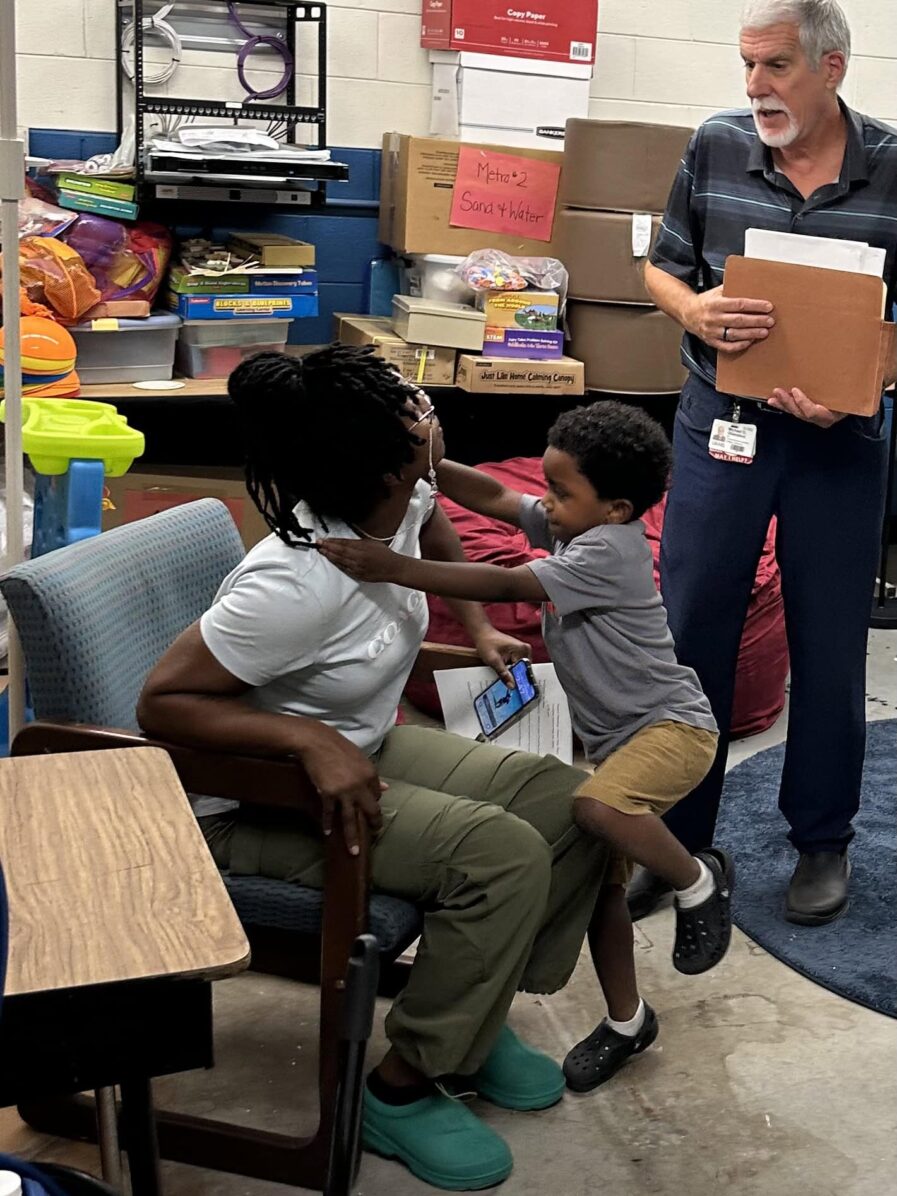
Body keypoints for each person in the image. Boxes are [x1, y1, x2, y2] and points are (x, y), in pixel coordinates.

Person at [137, 346, 611, 1193]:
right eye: (415, 408)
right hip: (247, 806)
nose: (428, 411)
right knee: (496, 855)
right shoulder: (290, 582)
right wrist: (305, 742)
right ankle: (402, 1086)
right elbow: (163, 704)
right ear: (390, 456)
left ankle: (475, 1004)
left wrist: (473, 625)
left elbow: (436, 530)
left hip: (368, 743)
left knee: (573, 801)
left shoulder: (404, 491)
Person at [320, 400, 730, 1095]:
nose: (547, 503)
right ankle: (629, 1023)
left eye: (562, 493)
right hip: (618, 740)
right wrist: (430, 465)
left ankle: (698, 882)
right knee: (599, 891)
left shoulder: (608, 549)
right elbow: (499, 497)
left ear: (618, 507)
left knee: (594, 810)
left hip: (671, 729)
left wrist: (388, 566)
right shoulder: (581, 525)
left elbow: (508, 581)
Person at [632, 0, 897, 927]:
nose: (754, 88)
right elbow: (660, 267)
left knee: (830, 646)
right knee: (689, 629)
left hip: (839, 443)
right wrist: (693, 312)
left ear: (830, 67)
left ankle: (821, 841)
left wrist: (858, 377)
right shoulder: (713, 145)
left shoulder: (893, 166)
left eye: (775, 67)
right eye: (746, 66)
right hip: (722, 428)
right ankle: (677, 835)